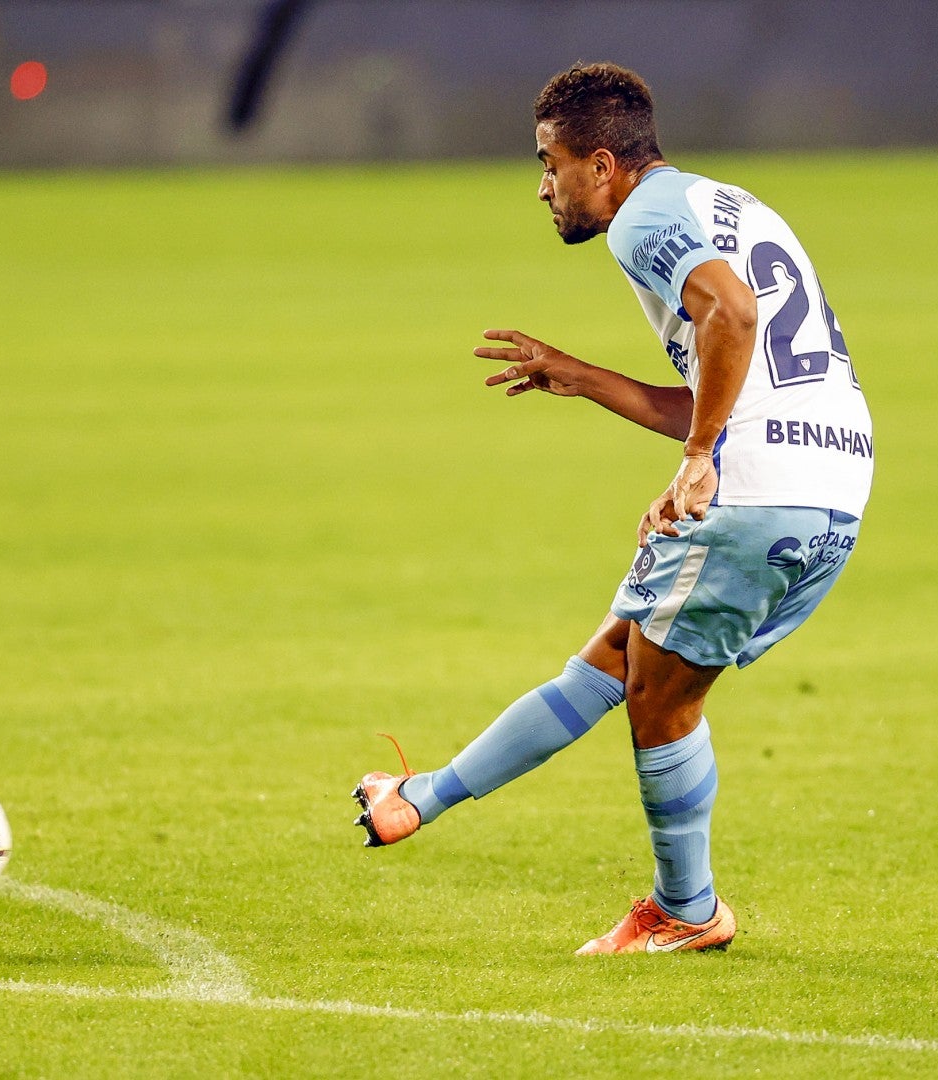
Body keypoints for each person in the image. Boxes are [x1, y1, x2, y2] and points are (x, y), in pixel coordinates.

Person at [351, 62, 873, 955]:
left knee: (660, 707)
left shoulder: (642, 218)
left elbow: (732, 317)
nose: (543, 186)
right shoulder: (729, 205)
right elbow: (728, 368)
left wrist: (701, 460)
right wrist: (588, 379)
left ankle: (687, 909)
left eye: (550, 163)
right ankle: (418, 799)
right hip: (832, 486)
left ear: (603, 163)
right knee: (617, 655)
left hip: (754, 486)